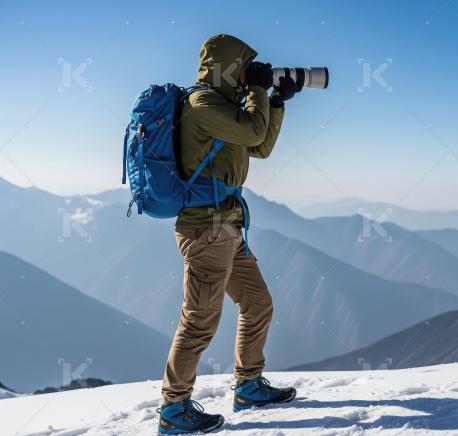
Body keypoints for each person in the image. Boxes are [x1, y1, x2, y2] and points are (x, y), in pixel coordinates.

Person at [157, 34, 299, 435]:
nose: (247, 75)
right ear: (226, 68)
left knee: (258, 303)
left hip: (229, 227)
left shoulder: (225, 108)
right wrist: (258, 90)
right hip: (206, 230)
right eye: (243, 68)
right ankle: (173, 408)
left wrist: (276, 102)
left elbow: (259, 146)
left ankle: (249, 386)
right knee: (199, 319)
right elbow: (252, 134)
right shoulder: (201, 104)